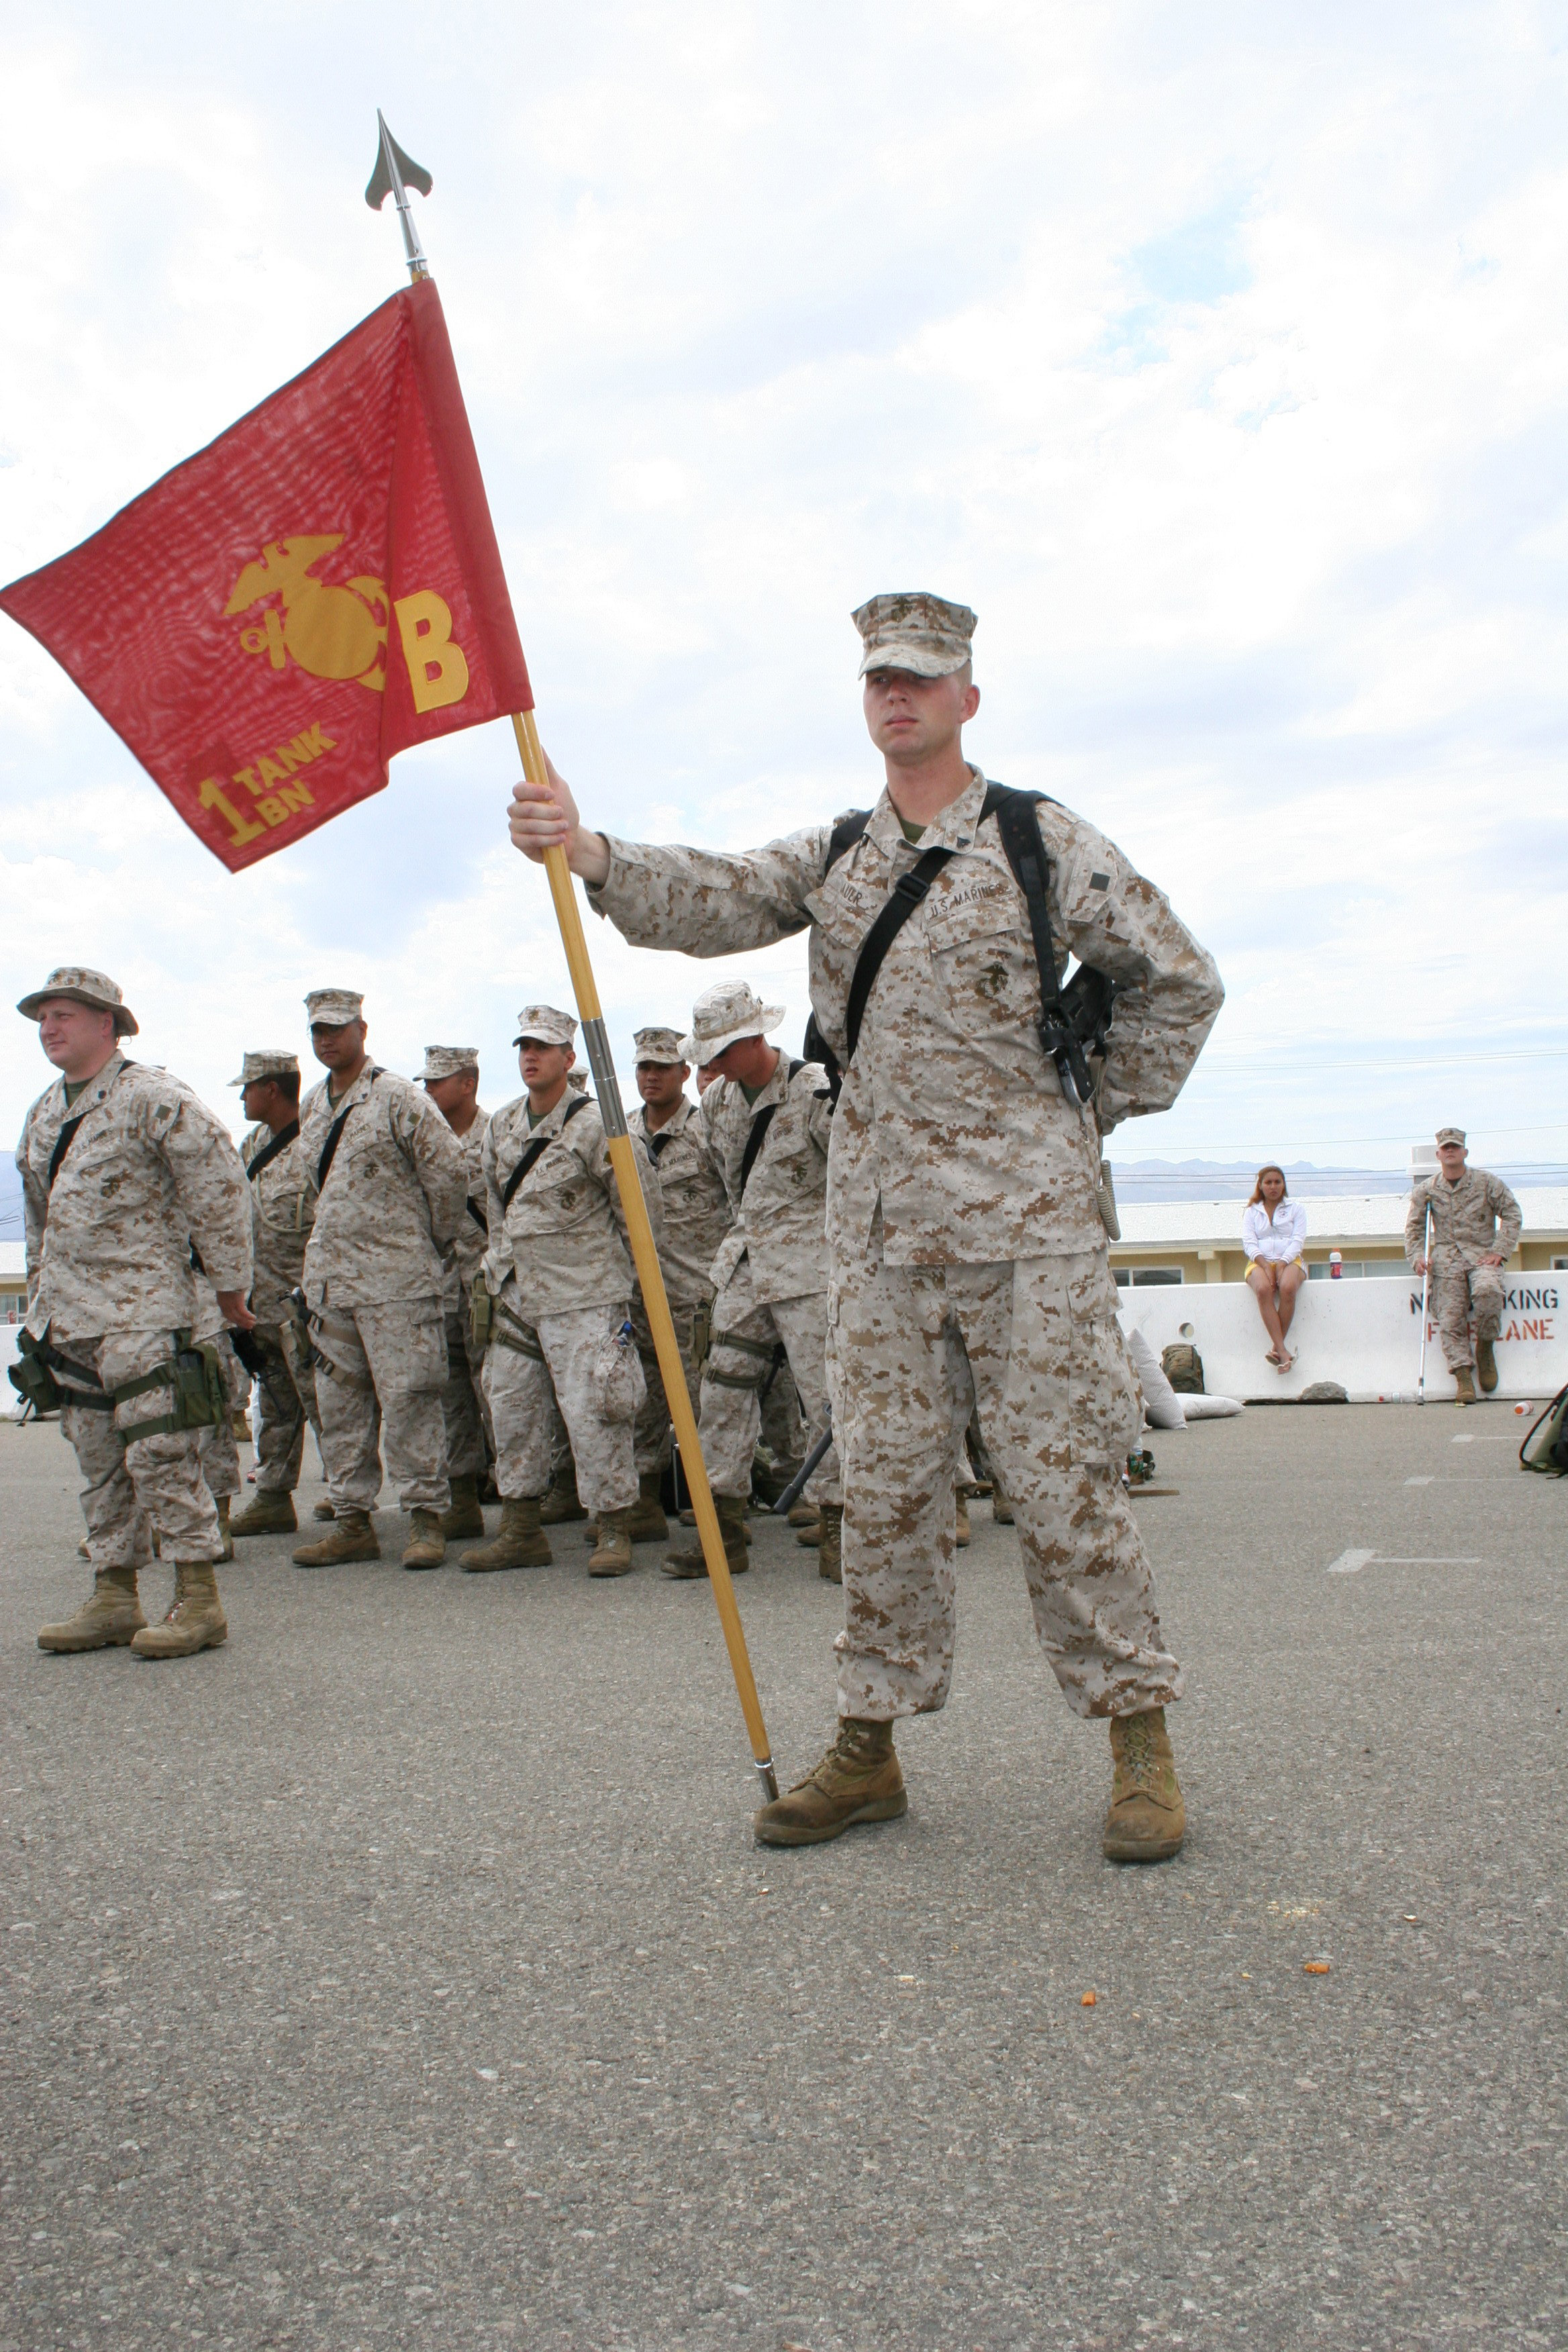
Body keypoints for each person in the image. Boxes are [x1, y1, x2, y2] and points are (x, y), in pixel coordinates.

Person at [506, 589, 1222, 1859]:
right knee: (882, 1489)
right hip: (880, 1236)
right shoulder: (840, 855)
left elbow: (1178, 981)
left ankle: (1138, 1741)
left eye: (923, 677)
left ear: (966, 698)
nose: (899, 696)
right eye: (880, 679)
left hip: (1028, 1238)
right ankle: (869, 1744)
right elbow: (721, 895)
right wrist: (597, 852)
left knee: (1064, 1491)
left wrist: (1083, 1113)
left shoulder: (1038, 839)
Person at [15, 967, 253, 1659]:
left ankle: (198, 1600)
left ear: (107, 1024)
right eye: (43, 1017)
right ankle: (114, 1595)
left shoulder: (152, 1096)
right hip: (72, 1323)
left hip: (145, 1314)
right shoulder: (44, 1111)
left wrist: (231, 1287)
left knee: (161, 1454)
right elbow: (41, 1217)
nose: (49, 1028)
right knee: (99, 1461)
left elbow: (217, 1185)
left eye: (64, 1014)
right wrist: (40, 1304)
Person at [464, 1006, 665, 1577]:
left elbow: (638, 1206)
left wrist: (640, 1282)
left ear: (568, 1058)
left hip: (584, 1292)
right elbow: (495, 1208)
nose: (531, 1056)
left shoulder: (597, 1124)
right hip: (520, 1292)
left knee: (595, 1411)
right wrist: (498, 1273)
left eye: (543, 1048)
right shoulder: (501, 1125)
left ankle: (613, 1527)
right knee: (512, 1407)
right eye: (524, 1046)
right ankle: (521, 1528)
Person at [658, 982, 842, 1584]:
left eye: (719, 1050)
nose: (707, 1065)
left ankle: (842, 1527)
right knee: (721, 1391)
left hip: (811, 1271)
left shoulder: (813, 1091)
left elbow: (849, 1178)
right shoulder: (718, 1105)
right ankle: (724, 1532)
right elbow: (724, 1185)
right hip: (745, 1265)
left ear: (754, 1038)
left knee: (826, 1398)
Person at [289, 990, 467, 1572]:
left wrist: (428, 1245)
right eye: (317, 1030)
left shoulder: (397, 1096)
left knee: (411, 1398)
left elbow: (447, 1175)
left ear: (362, 1029)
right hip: (332, 1284)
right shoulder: (313, 1103)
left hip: (397, 1280)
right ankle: (351, 1520)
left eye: (337, 1028)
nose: (326, 1039)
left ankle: (425, 1517)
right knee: (339, 1404)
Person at [625, 1024, 734, 1544]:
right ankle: (644, 1500)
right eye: (643, 1067)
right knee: (642, 1399)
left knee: (702, 1401)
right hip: (640, 1294)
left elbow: (735, 1197)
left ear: (684, 1073)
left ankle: (714, 1505)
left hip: (695, 1293)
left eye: (661, 1068)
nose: (650, 1077)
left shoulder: (706, 1129)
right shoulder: (621, 1135)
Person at [228, 1050, 317, 1536]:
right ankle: (273, 1496)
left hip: (307, 1307)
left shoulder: (316, 1145)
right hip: (261, 1306)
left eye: (248, 1087)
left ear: (273, 1090)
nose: (242, 1096)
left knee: (330, 1407)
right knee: (276, 1405)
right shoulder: (251, 1146)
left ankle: (352, 1506)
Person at [420, 1046, 492, 1540]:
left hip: (490, 1284)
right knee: (452, 1396)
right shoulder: (424, 1141)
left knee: (501, 1392)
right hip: (444, 1285)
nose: (427, 1091)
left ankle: (535, 1492)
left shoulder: (499, 1135)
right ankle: (463, 1496)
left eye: (438, 1082)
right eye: (424, 1082)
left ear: (468, 1083)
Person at [1406, 1127, 1522, 1405]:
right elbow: (1414, 1229)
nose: (1450, 1151)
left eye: (1455, 1147)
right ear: (1438, 1154)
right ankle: (1462, 1376)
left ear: (1464, 1152)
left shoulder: (1486, 1183)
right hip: (1447, 1260)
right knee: (1449, 1315)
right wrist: (1417, 1258)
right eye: (1445, 1147)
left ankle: (1485, 1348)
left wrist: (1500, 1251)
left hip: (1482, 1255)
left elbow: (1512, 1213)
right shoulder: (1427, 1190)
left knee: (1488, 1291)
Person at [1242, 1165, 1308, 1372]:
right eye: (1268, 1182)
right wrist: (1264, 1265)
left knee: (1287, 1287)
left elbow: (1298, 1240)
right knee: (1263, 1289)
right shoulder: (1252, 1212)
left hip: (1290, 1261)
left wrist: (1281, 1263)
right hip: (1258, 1262)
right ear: (1260, 1185)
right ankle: (1282, 1351)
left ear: (1284, 1184)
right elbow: (1249, 1243)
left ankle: (1276, 1350)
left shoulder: (1296, 1209)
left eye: (1277, 1182)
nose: (1273, 1187)